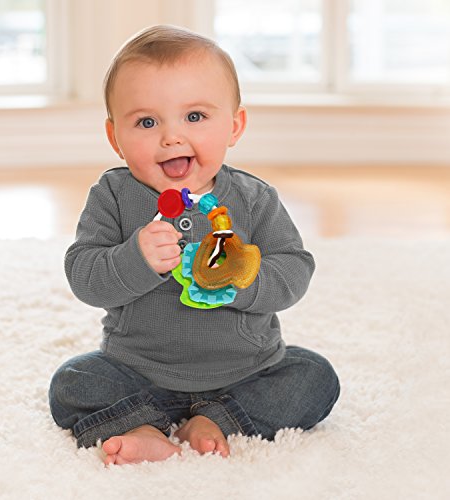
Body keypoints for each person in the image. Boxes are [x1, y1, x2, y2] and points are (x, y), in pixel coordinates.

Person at [49, 24, 340, 466]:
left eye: (195, 117)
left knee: (314, 377)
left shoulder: (254, 198)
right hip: (139, 372)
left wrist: (242, 275)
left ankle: (216, 419)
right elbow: (85, 276)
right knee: (73, 381)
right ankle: (143, 426)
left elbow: (294, 269)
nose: (171, 137)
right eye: (147, 122)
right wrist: (136, 259)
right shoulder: (113, 196)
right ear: (114, 138)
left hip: (246, 370)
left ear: (234, 126)